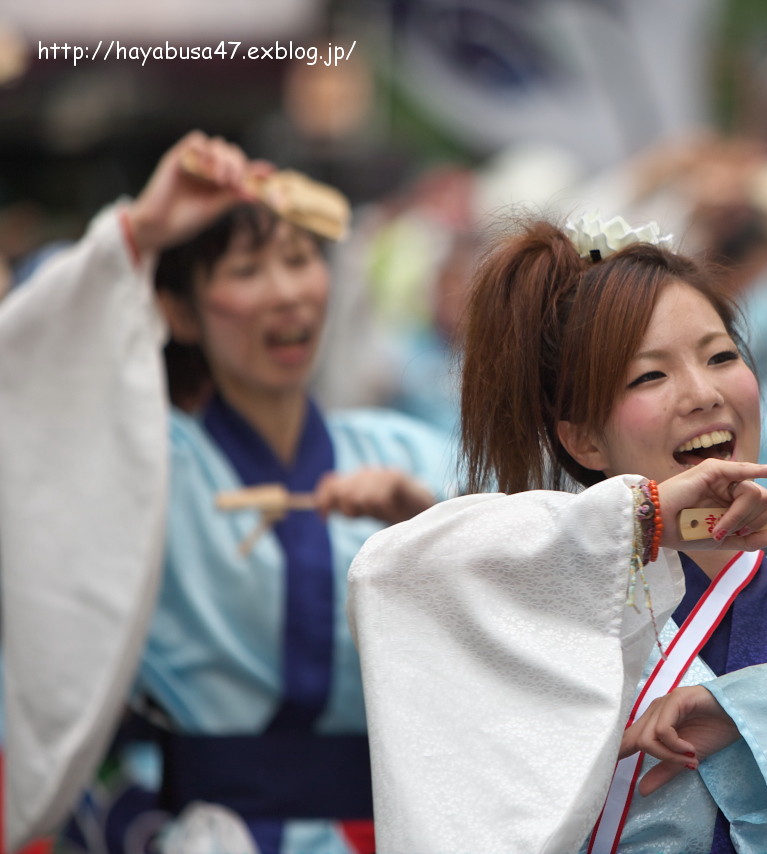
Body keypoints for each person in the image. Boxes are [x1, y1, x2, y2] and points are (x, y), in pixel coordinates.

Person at [347, 214, 767, 853]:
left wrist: (743, 714)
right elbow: (390, 576)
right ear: (582, 437)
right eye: (651, 374)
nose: (704, 392)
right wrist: (639, 519)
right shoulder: (551, 623)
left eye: (720, 356)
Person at [0, 132, 457, 854]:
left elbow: (529, 591)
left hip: (401, 831)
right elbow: (26, 396)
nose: (285, 292)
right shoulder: (147, 469)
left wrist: (431, 528)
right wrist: (142, 230)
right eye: (247, 269)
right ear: (180, 313)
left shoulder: (411, 453)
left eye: (301, 260)